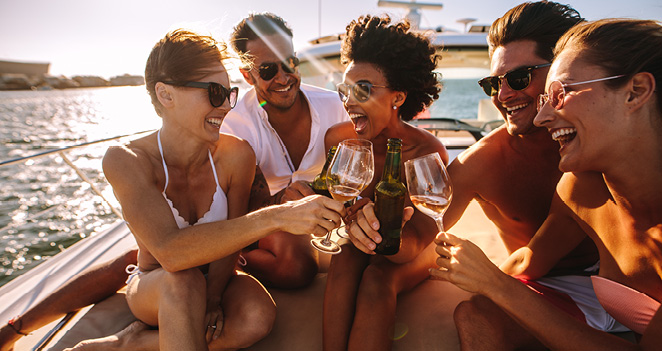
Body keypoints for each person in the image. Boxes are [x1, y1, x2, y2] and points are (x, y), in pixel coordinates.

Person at [64, 29, 345, 351]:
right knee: (184, 283)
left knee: (256, 315)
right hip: (155, 283)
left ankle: (132, 342)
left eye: (230, 94)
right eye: (214, 93)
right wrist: (276, 216)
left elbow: (231, 243)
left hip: (219, 277)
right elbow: (170, 253)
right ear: (166, 95)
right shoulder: (127, 160)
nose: (226, 106)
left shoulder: (237, 154)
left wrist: (212, 298)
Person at [433, 18, 662, 349]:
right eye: (546, 98)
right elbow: (530, 260)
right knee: (477, 314)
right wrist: (476, 275)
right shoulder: (579, 190)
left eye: (562, 93)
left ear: (636, 91)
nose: (542, 118)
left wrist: (497, 285)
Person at [321, 15, 447, 351]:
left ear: (398, 97)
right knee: (345, 258)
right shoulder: (337, 140)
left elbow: (418, 239)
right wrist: (347, 216)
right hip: (363, 241)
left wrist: (382, 227)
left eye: (361, 89)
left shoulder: (425, 152)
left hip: (414, 247)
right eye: (344, 89)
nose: (348, 100)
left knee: (379, 278)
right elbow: (336, 204)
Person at [220, 12, 350, 289]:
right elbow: (238, 210)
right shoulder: (235, 124)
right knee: (296, 269)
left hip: (323, 218)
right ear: (247, 75)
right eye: (268, 70)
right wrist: (282, 202)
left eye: (289, 63)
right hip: (260, 222)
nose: (283, 77)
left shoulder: (335, 107)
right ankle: (224, 257)